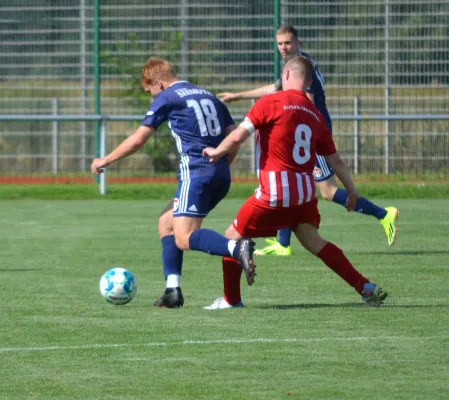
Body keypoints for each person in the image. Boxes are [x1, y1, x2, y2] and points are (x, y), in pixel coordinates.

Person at [202, 55, 388, 309]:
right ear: (309, 82)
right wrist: (353, 192)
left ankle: (231, 301)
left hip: (275, 192)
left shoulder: (269, 102)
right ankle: (364, 287)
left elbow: (237, 137)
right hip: (304, 194)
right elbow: (337, 162)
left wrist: (216, 151)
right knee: (314, 242)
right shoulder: (314, 114)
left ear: (286, 75)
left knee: (231, 237)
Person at [218, 25, 398, 257]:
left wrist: (309, 147)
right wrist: (238, 95)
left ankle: (384, 214)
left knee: (329, 191)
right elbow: (276, 88)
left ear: (297, 42)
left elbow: (306, 104)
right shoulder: (298, 66)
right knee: (290, 180)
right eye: (280, 43)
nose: (283, 48)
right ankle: (283, 244)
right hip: (309, 133)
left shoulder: (302, 66)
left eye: (288, 43)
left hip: (312, 136)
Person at [91, 57, 255, 308]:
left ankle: (236, 248)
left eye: (150, 91)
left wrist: (107, 159)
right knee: (166, 223)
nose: (151, 96)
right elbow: (234, 136)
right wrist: (221, 166)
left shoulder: (168, 97)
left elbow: (138, 139)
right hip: (220, 174)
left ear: (158, 82)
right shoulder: (208, 95)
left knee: (183, 236)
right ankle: (172, 291)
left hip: (196, 173)